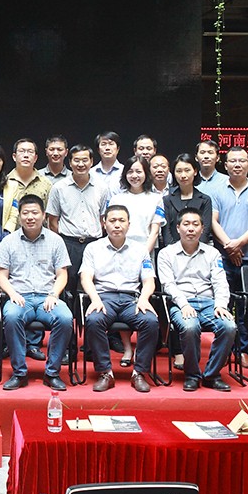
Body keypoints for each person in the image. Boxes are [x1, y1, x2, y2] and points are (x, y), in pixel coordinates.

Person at [0, 195, 73, 391]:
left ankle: (52, 373)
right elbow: (1, 275)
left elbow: (62, 274)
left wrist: (54, 294)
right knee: (11, 316)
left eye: (35, 213)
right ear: (19, 215)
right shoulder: (8, 241)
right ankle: (19, 373)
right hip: (20, 296)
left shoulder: (56, 240)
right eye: (25, 213)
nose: (30, 217)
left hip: (48, 296)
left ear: (43, 215)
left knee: (65, 318)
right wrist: (12, 293)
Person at [80, 204, 159, 393]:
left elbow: (149, 280)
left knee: (150, 321)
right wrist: (95, 299)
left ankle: (139, 373)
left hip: (132, 300)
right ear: (104, 223)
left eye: (121, 220)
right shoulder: (93, 248)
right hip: (104, 298)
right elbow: (86, 278)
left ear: (129, 224)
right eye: (112, 220)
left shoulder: (140, 250)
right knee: (93, 320)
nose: (117, 225)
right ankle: (105, 373)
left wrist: (144, 298)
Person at [158, 207, 236, 392]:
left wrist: (221, 305)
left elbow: (220, 282)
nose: (191, 228)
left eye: (195, 224)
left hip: (209, 303)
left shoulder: (212, 253)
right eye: (186, 224)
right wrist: (184, 304)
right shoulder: (166, 254)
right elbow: (168, 285)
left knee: (229, 327)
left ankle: (211, 375)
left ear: (202, 228)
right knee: (190, 327)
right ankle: (192, 375)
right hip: (181, 303)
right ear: (178, 228)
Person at [210, 146, 248, 370]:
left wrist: (239, 243)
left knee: (247, 306)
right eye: (232, 161)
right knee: (224, 302)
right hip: (223, 257)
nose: (237, 165)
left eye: (242, 161)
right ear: (225, 165)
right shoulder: (217, 191)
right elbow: (213, 221)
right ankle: (225, 350)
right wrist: (229, 246)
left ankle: (243, 350)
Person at [107, 155, 166, 365]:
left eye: (139, 171)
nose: (135, 175)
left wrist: (141, 255)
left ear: (146, 174)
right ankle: (127, 348)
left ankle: (143, 349)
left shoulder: (156, 198)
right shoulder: (117, 198)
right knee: (124, 295)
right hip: (118, 253)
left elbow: (155, 230)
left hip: (145, 253)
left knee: (144, 299)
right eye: (130, 171)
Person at [45, 144, 107, 313]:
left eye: (85, 160)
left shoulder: (102, 187)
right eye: (76, 160)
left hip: (94, 243)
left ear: (91, 162)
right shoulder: (59, 188)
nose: (81, 164)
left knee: (94, 285)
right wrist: (60, 244)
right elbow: (53, 221)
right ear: (70, 162)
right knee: (68, 287)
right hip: (68, 243)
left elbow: (103, 218)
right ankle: (68, 325)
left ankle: (91, 322)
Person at [161, 153, 213, 248]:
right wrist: (174, 251)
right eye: (179, 171)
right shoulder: (167, 200)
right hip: (172, 252)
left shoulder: (205, 200)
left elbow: (205, 231)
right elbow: (166, 232)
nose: (183, 175)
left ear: (195, 171)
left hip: (199, 251)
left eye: (187, 170)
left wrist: (195, 251)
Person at [7, 138, 51, 230]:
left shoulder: (46, 184)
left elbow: (49, 217)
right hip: (10, 235)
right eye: (22, 151)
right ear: (14, 156)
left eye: (30, 152)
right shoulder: (4, 182)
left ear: (35, 158)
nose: (26, 155)